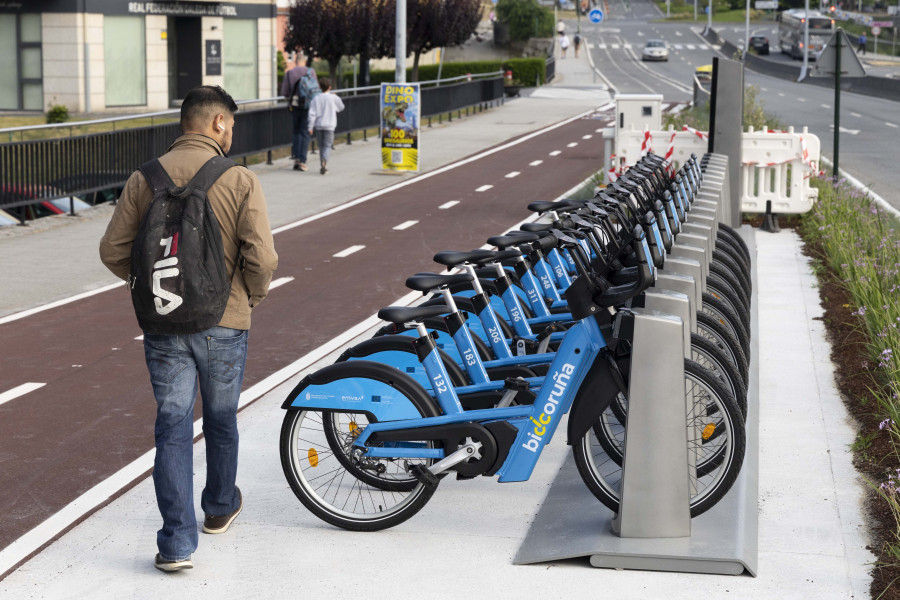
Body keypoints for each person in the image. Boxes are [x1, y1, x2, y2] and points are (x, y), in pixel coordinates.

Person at [99, 85, 278, 573]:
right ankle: (219, 509)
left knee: (173, 425)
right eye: (232, 124)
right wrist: (247, 298)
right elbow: (262, 257)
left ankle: (177, 543)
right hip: (225, 323)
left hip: (163, 323)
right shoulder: (238, 178)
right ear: (218, 123)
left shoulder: (144, 178)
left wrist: (156, 288)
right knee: (221, 419)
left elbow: (113, 251)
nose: (232, 132)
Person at [280, 54, 315, 171]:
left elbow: (284, 92)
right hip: (308, 106)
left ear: (295, 61)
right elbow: (315, 89)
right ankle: (303, 161)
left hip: (294, 106)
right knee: (305, 133)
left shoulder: (289, 73)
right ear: (304, 61)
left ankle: (296, 159)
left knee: (296, 131)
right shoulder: (311, 72)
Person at [307, 77, 345, 175]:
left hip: (319, 125)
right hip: (330, 125)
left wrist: (310, 127)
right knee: (328, 146)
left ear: (320, 87)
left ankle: (322, 164)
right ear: (330, 87)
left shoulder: (316, 98)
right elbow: (341, 107)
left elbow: (312, 114)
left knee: (321, 146)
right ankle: (324, 161)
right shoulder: (333, 98)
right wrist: (336, 99)